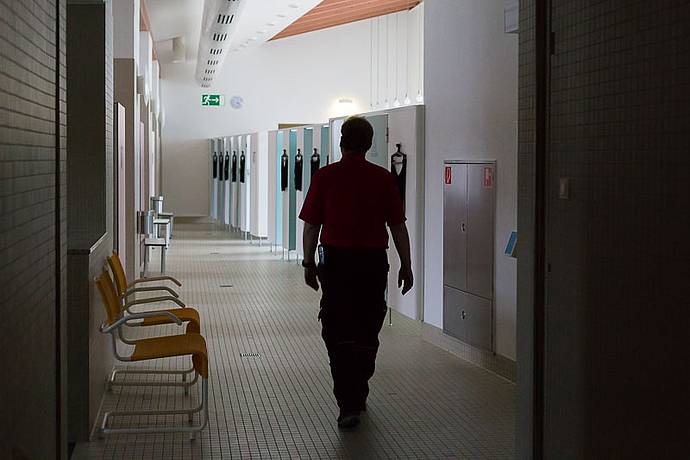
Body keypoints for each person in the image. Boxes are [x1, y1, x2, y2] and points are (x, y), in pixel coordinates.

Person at [299, 116, 413, 429]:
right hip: (372, 264)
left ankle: (348, 400)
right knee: (367, 326)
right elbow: (398, 226)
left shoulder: (326, 176)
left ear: (341, 142)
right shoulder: (382, 178)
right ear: (370, 143)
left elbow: (311, 225)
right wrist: (407, 263)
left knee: (337, 329)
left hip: (336, 264)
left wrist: (308, 264)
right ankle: (357, 392)